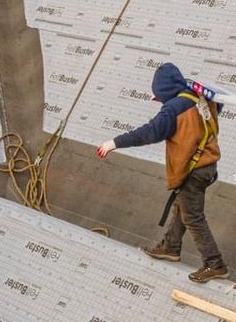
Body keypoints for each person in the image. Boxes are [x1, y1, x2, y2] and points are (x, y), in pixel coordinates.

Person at [97, 61, 227, 283]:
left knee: (194, 217)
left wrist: (114, 142)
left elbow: (150, 132)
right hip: (207, 166)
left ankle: (215, 264)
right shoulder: (201, 98)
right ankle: (171, 246)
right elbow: (218, 106)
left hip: (192, 170)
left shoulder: (173, 109)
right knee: (183, 207)